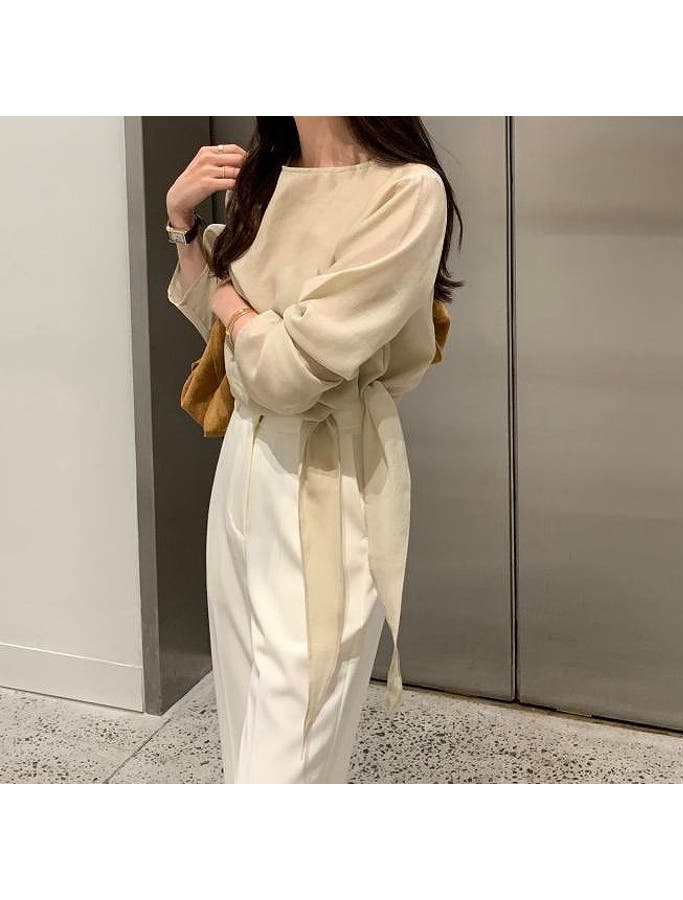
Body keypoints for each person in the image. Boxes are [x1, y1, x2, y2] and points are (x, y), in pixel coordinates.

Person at [164, 116, 463, 783]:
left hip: (329, 469)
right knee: (246, 713)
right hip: (245, 461)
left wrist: (236, 310)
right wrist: (184, 224)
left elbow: (287, 371)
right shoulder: (266, 174)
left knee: (291, 742)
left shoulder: (406, 190)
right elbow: (226, 335)